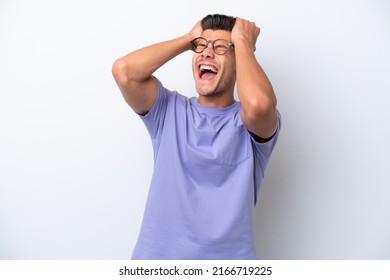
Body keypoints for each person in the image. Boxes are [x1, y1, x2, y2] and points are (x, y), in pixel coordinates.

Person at [112, 14, 281, 260]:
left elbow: (257, 104)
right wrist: (189, 38)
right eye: (201, 46)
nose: (207, 53)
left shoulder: (248, 123)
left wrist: (244, 42)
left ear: (240, 61)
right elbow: (124, 71)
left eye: (222, 47)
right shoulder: (168, 109)